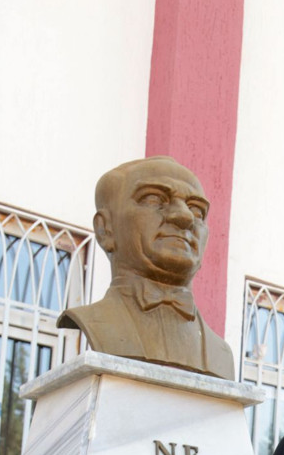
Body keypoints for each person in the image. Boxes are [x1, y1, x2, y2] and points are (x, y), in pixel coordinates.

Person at [59, 156, 235, 378]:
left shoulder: (220, 355)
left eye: (197, 210)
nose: (184, 217)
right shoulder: (96, 324)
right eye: (153, 199)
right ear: (106, 229)